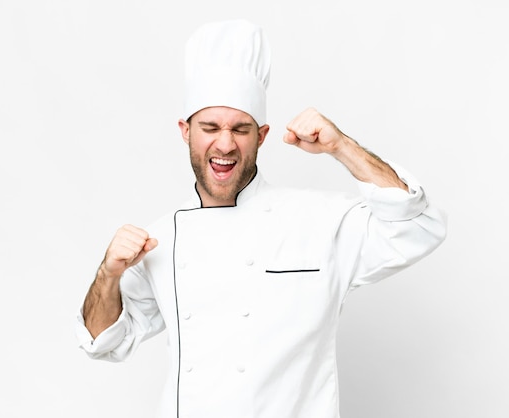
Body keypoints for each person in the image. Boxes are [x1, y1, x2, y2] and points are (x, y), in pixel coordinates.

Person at [76, 19, 447, 418]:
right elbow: (103, 341)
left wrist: (341, 147)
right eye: (209, 127)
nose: (225, 143)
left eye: (240, 129)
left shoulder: (318, 222)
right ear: (185, 131)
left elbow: (419, 226)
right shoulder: (159, 240)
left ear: (262, 135)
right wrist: (107, 274)